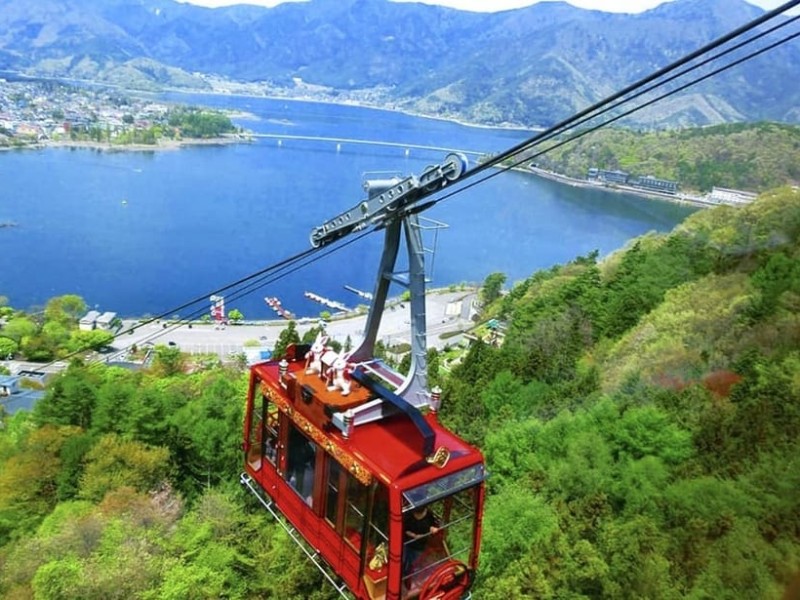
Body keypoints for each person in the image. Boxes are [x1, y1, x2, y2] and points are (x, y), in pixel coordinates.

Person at [403, 505, 440, 578]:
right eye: (416, 514)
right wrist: (415, 536)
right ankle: (405, 571)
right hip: (409, 541)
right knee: (406, 557)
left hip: (421, 543)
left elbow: (432, 525)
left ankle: (410, 574)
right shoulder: (408, 514)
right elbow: (405, 529)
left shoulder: (429, 513)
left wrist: (433, 529)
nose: (418, 516)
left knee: (415, 559)